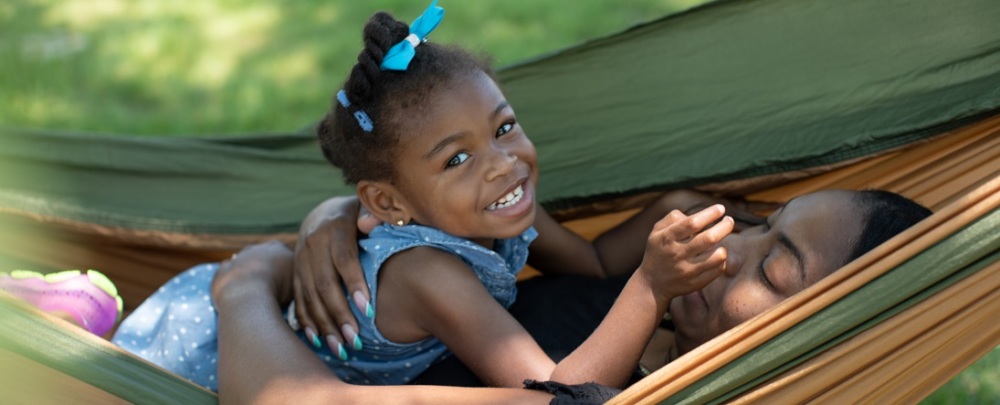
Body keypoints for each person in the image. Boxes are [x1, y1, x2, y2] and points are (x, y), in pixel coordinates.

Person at [107, 1, 743, 392]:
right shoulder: (429, 273)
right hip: (197, 356)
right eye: (458, 158)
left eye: (504, 127)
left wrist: (676, 205)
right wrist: (651, 287)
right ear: (387, 204)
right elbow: (555, 391)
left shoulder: (500, 203)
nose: (502, 165)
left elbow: (596, 263)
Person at [279, 188, 933, 386]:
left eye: (772, 271)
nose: (727, 246)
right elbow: (476, 204)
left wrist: (247, 280)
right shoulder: (659, 268)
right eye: (763, 223)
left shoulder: (653, 293)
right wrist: (338, 213)